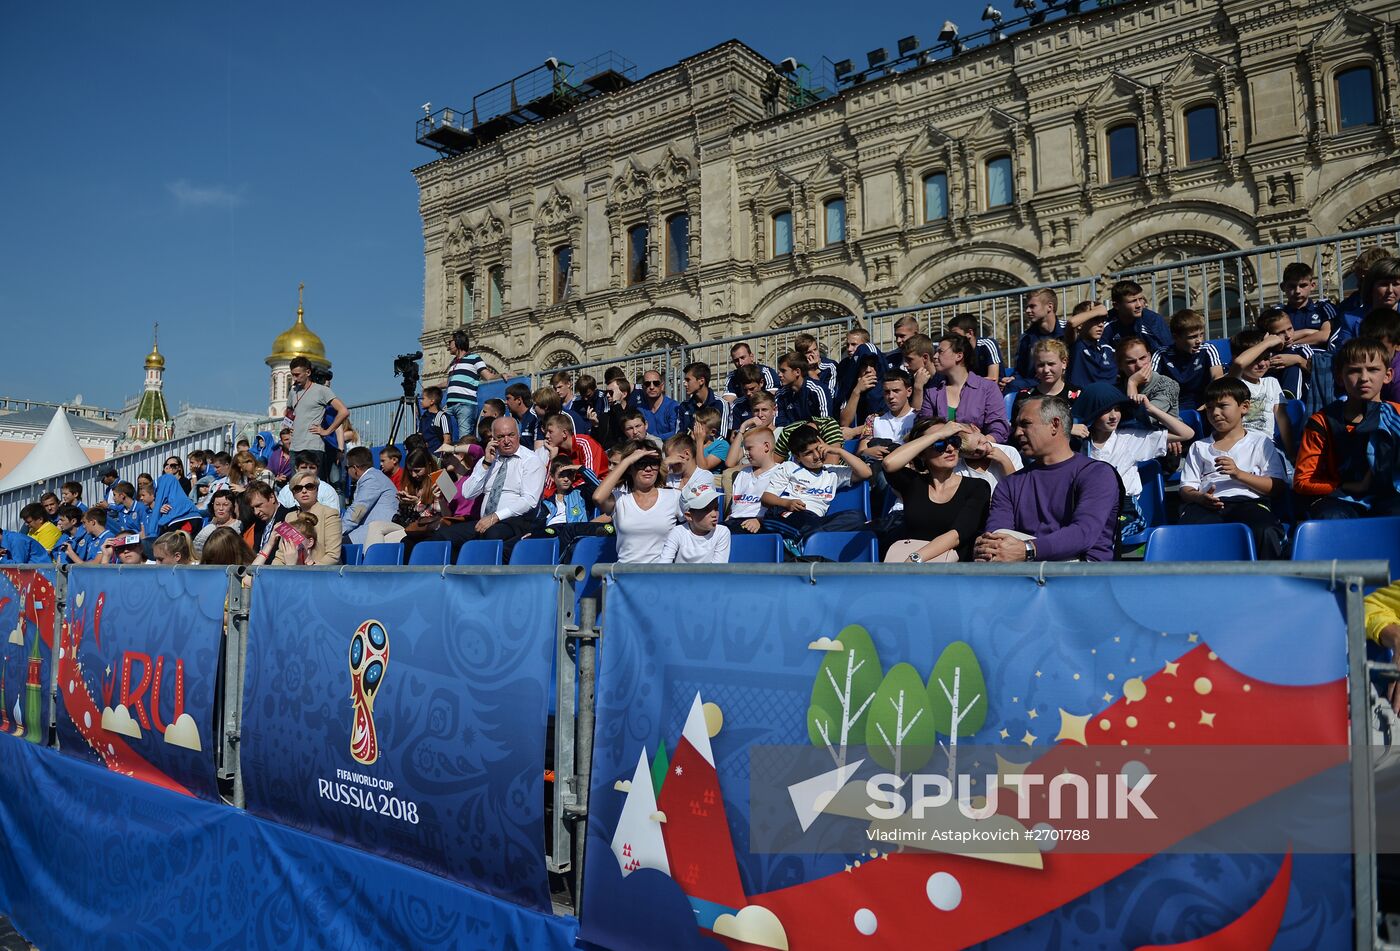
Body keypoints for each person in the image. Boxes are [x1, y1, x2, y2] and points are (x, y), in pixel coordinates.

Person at [974, 395, 1120, 562]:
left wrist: (1028, 550)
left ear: (1054, 425)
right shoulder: (1009, 484)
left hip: (1081, 577)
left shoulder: (1096, 474)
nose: (1017, 433)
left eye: (1025, 424)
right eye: (1016, 425)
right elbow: (997, 537)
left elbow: (1083, 534)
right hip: (1023, 577)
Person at [1178, 377, 1288, 559]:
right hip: (1207, 505)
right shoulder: (1199, 447)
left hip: (1250, 503)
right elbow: (1186, 488)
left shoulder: (1261, 443)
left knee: (1265, 530)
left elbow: (1276, 487)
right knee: (1188, 531)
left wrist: (1238, 474)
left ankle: (1267, 580)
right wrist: (1200, 497)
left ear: (1244, 407)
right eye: (1210, 407)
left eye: (1222, 406)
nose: (1215, 413)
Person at [1294, 338, 1400, 519]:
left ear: (1388, 375)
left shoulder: (1397, 415)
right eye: (1354, 371)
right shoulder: (1322, 422)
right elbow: (1302, 481)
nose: (1364, 378)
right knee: (1330, 516)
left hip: (1391, 497)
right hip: (1341, 499)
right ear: (1339, 377)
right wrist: (1346, 486)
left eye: (1373, 369)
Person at [1078, 383, 1194, 539]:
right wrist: (1068, 429)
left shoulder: (1130, 438)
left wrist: (1151, 409)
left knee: (1102, 536)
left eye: (1117, 409)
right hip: (1089, 509)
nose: (1113, 416)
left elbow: (1186, 433)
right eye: (1106, 411)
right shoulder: (1078, 443)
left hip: (1124, 510)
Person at [421, 416, 545, 559]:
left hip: (515, 520)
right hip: (485, 521)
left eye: (511, 435)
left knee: (492, 534)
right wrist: (486, 464)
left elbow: (529, 500)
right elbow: (468, 493)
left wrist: (496, 517)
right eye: (500, 437)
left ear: (518, 435)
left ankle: (485, 578)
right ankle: (452, 577)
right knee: (444, 535)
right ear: (493, 439)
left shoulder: (531, 461)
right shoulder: (487, 460)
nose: (506, 441)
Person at [881, 419, 991, 562]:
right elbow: (889, 463)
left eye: (954, 441)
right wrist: (938, 434)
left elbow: (957, 534)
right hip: (911, 569)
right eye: (939, 444)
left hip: (953, 573)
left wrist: (916, 559)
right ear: (922, 453)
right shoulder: (913, 483)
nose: (950, 448)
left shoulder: (977, 487)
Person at [760, 425, 873, 548]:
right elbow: (766, 498)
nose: (816, 456)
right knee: (801, 524)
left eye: (817, 449)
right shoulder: (789, 467)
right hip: (788, 513)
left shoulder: (832, 472)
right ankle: (808, 539)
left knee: (857, 517)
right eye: (808, 453)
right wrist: (787, 503)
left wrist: (838, 451)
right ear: (797, 457)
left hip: (815, 521)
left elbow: (866, 472)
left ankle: (806, 540)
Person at [591, 441, 682, 563]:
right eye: (641, 463)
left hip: (660, 576)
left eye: (654, 463)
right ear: (629, 469)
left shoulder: (673, 497)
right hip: (625, 575)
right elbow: (598, 497)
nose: (648, 469)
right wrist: (626, 461)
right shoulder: (619, 500)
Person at [915, 334, 1010, 442]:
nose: (935, 356)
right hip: (941, 453)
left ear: (959, 356)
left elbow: (999, 429)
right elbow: (924, 427)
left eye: (940, 351)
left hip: (980, 453)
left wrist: (980, 443)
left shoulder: (987, 388)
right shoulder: (932, 392)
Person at [285, 355, 349, 480]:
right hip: (295, 446)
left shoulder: (321, 390)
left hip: (313, 446)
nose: (294, 378)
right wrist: (290, 425)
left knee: (313, 486)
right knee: (295, 486)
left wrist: (326, 431)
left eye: (297, 374)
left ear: (308, 372)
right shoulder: (293, 392)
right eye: (292, 374)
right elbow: (288, 412)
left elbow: (343, 411)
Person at [1227, 328, 1291, 450]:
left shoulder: (1272, 383)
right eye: (1255, 359)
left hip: (1266, 447)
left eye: (1266, 358)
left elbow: (1282, 419)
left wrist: (1291, 453)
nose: (1262, 364)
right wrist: (1267, 343)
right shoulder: (1233, 382)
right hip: (1239, 446)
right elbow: (1240, 363)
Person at [1152, 308, 1224, 409]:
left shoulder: (1207, 349)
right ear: (1176, 337)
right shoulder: (1161, 354)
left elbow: (1218, 378)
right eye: (1192, 337)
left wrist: (1210, 402)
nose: (1199, 340)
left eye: (1201, 334)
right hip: (1170, 408)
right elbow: (1150, 381)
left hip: (1203, 405)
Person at [1006, 288, 1066, 390]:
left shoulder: (1067, 330)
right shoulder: (1026, 337)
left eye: (1032, 306)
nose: (1027, 311)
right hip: (1035, 387)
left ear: (1049, 307)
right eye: (1027, 307)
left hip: (1064, 385)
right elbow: (1020, 371)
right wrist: (1012, 379)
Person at [724, 426, 779, 535]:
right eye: (745, 449)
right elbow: (735, 507)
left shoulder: (780, 472)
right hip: (734, 522)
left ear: (766, 446)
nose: (746, 453)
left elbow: (780, 510)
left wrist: (760, 521)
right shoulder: (743, 473)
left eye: (749, 448)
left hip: (758, 523)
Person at [342, 446, 400, 546]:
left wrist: (334, 533)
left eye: (347, 467)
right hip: (375, 529)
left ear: (355, 468)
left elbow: (357, 512)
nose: (347, 471)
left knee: (335, 546)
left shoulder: (371, 479)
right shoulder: (375, 476)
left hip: (379, 533)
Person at [660, 482, 731, 564]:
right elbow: (664, 565)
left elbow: (718, 569)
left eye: (716, 508)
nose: (714, 514)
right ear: (689, 516)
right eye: (706, 509)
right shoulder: (678, 532)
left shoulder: (722, 532)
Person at [287, 471, 343, 566]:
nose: (304, 491)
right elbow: (281, 554)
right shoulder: (289, 517)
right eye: (298, 488)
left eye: (309, 487)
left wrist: (310, 572)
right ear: (293, 494)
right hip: (292, 571)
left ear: (317, 490)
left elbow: (333, 555)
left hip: (321, 573)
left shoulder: (329, 514)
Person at [443, 328, 490, 442]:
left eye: (450, 342)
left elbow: (487, 375)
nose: (448, 345)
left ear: (458, 342)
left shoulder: (474, 358)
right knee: (438, 424)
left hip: (465, 404)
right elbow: (449, 383)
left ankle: (466, 459)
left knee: (464, 438)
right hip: (450, 405)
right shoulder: (453, 363)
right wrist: (432, 388)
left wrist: (503, 375)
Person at [1101, 280, 1171, 353]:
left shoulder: (1153, 321)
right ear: (1116, 305)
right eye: (1133, 301)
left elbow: (1167, 353)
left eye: (1140, 299)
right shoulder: (1104, 322)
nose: (1139, 305)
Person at [1279, 262, 1337, 348]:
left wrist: (1293, 343)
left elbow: (1325, 335)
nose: (1297, 291)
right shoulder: (1278, 313)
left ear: (1312, 285)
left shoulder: (1323, 308)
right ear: (1283, 287)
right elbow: (1275, 340)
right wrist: (1306, 332)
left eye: (1303, 285)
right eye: (1292, 286)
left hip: (1317, 358)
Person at [1016, 339, 1080, 407]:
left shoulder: (1077, 395)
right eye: (1041, 365)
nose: (1046, 370)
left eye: (1051, 364)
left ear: (1064, 363)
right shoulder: (1025, 396)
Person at [776, 351, 830, 426]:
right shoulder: (781, 394)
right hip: (790, 436)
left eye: (783, 371)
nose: (779, 375)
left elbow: (825, 422)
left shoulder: (817, 390)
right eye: (779, 371)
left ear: (797, 372)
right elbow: (780, 424)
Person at [676, 362, 730, 436]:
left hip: (713, 447)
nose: (685, 384)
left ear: (701, 381)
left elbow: (721, 436)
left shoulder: (720, 404)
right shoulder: (684, 406)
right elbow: (680, 435)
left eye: (688, 380)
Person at [1068, 309, 1117, 389]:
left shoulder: (1106, 349)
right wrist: (1099, 309)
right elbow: (1071, 323)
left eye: (1103, 321)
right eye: (1095, 320)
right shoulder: (1076, 345)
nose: (1101, 325)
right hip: (1082, 397)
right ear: (1080, 325)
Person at [1360, 307, 1400, 403]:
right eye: (1368, 346)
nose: (1374, 353)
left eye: (1382, 348)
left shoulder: (1397, 381)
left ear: (1398, 345)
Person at [946, 313, 1001, 381]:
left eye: (955, 333)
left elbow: (993, 380)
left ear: (969, 333)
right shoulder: (958, 352)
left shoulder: (986, 345)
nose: (952, 338)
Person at [276, 451, 340, 509]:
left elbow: (333, 516)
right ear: (296, 469)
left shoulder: (327, 490)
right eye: (304, 467)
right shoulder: (286, 490)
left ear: (317, 470)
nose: (308, 471)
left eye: (312, 468)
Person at [663, 432, 717, 500]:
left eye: (671, 458)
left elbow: (694, 500)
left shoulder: (705, 476)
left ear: (686, 454)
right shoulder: (671, 476)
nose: (669, 462)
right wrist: (663, 464)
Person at [193, 490, 242, 559]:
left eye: (225, 505)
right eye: (217, 504)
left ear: (233, 507)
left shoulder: (239, 526)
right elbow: (197, 551)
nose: (221, 508)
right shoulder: (209, 528)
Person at [635, 369, 680, 441]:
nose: (652, 387)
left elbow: (675, 433)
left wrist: (652, 438)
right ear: (643, 388)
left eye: (656, 383)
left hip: (669, 447)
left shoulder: (673, 406)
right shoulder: (639, 409)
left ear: (662, 386)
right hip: (647, 448)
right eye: (647, 384)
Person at [691, 406, 729, 473]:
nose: (696, 431)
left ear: (712, 432)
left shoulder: (722, 445)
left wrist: (699, 441)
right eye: (695, 426)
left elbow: (703, 467)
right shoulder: (691, 442)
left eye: (700, 429)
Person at [504, 382, 540, 450]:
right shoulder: (512, 420)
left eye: (508, 398)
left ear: (518, 400)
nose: (505, 402)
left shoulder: (535, 417)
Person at [418, 385, 453, 454]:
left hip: (437, 456)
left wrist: (442, 456)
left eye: (423, 399)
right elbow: (420, 436)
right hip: (426, 456)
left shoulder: (442, 416)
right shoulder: (423, 417)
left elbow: (447, 439)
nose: (421, 401)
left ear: (432, 401)